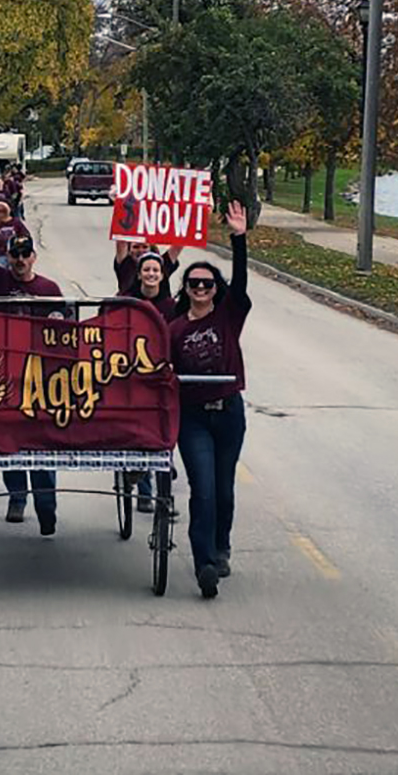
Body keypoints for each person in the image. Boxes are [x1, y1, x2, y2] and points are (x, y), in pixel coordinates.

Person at [169, 200, 250, 599]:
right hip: (193, 417)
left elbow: (241, 285)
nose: (201, 289)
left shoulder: (228, 316)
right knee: (202, 488)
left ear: (216, 290)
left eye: (207, 284)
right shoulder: (175, 328)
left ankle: (221, 546)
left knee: (224, 488)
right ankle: (204, 564)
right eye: (194, 284)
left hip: (229, 412)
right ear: (185, 290)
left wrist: (239, 239)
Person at [0, 201, 63, 533]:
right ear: (8, 256)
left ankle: (46, 503)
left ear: (34, 258)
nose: (21, 260)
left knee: (40, 440)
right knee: (10, 439)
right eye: (15, 254)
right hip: (5, 373)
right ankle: (17, 496)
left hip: (43, 378)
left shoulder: (49, 289)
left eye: (26, 254)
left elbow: (66, 332)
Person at [119, 249, 178, 515]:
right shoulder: (126, 301)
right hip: (131, 375)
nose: (151, 274)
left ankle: (163, 492)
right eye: (146, 270)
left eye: (156, 270)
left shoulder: (172, 307)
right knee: (138, 429)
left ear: (162, 274)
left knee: (166, 426)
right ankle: (143, 489)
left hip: (161, 379)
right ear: (139, 274)